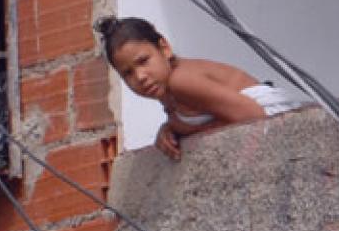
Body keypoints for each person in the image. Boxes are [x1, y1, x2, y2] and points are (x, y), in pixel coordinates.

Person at [94, 16, 306, 160]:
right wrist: (168, 129)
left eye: (143, 61)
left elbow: (253, 114)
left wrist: (189, 132)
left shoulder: (180, 81)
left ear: (164, 48)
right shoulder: (167, 95)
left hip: (277, 120)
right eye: (127, 73)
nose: (140, 76)